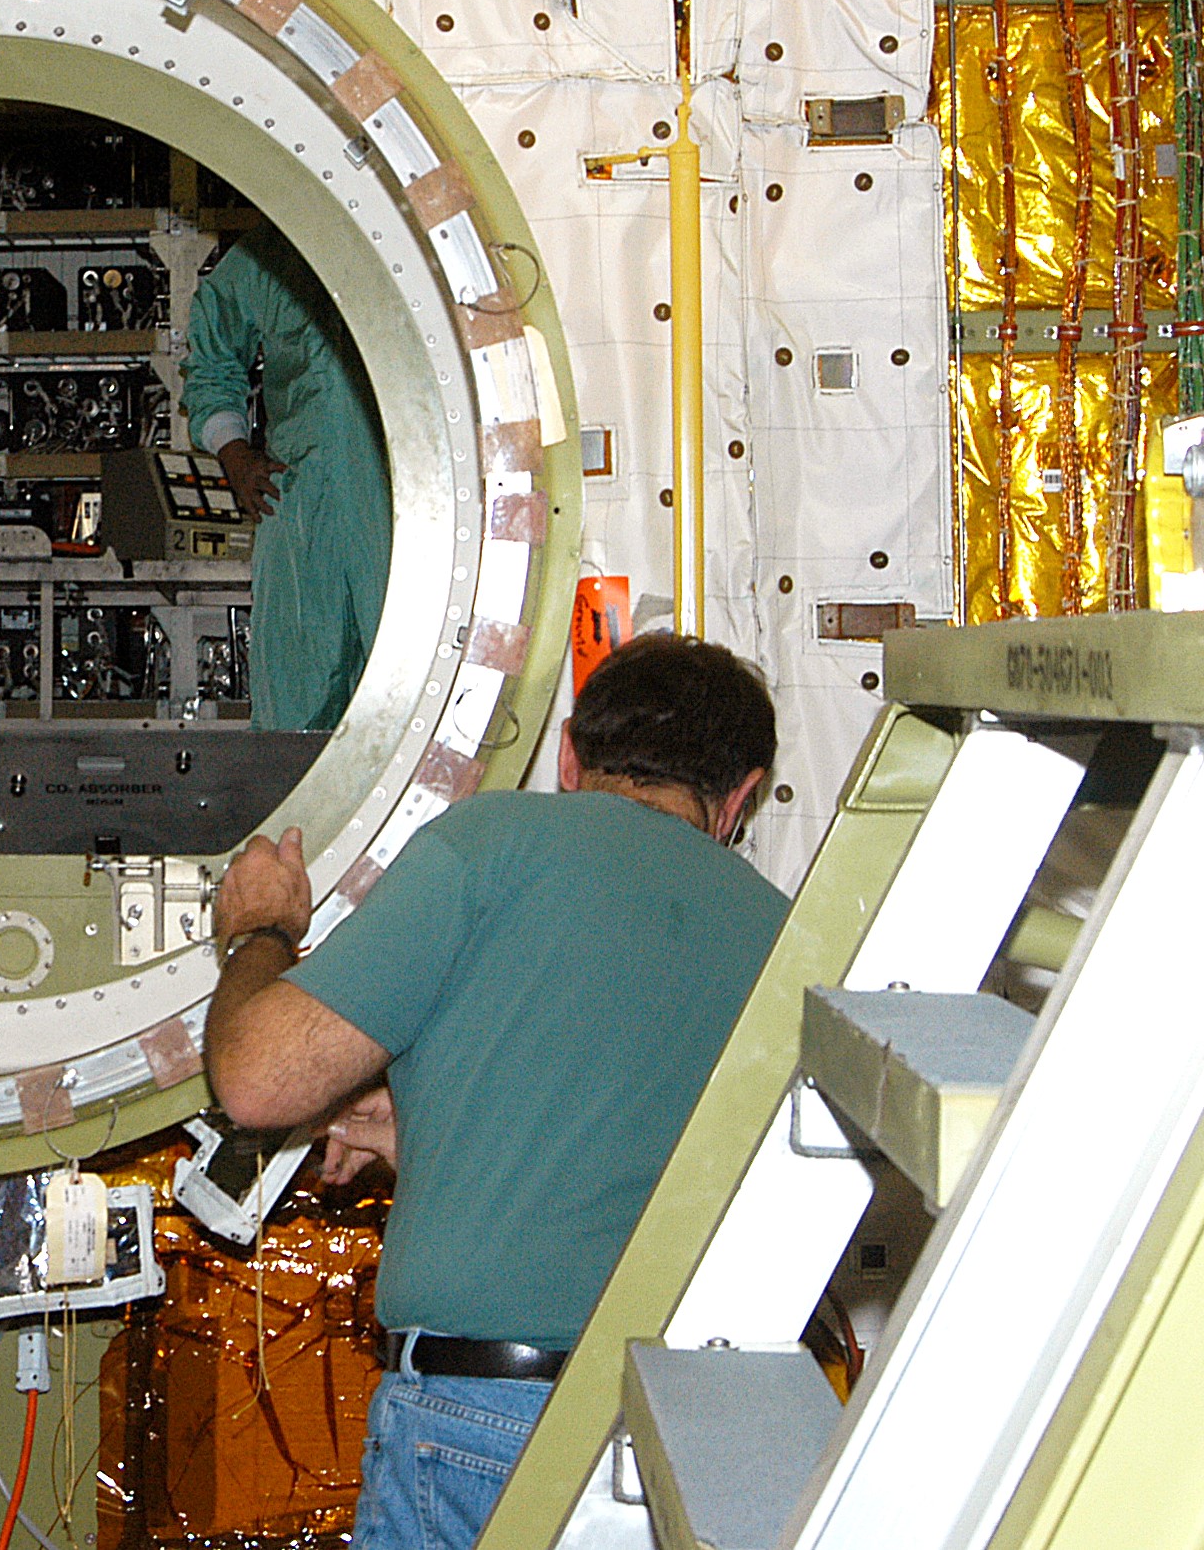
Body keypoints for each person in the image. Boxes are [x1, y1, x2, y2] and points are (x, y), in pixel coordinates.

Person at [202, 635, 785, 1550]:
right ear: (741, 795)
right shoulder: (778, 931)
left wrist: (261, 929)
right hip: (682, 1438)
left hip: (481, 1427)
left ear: (568, 756)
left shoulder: (488, 845)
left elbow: (256, 1077)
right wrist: (425, 1124)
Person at [181, 226, 391, 732]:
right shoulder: (271, 254)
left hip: (405, 510)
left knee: (404, 710)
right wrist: (234, 451)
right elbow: (211, 355)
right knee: (295, 715)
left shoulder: (408, 253)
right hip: (297, 507)